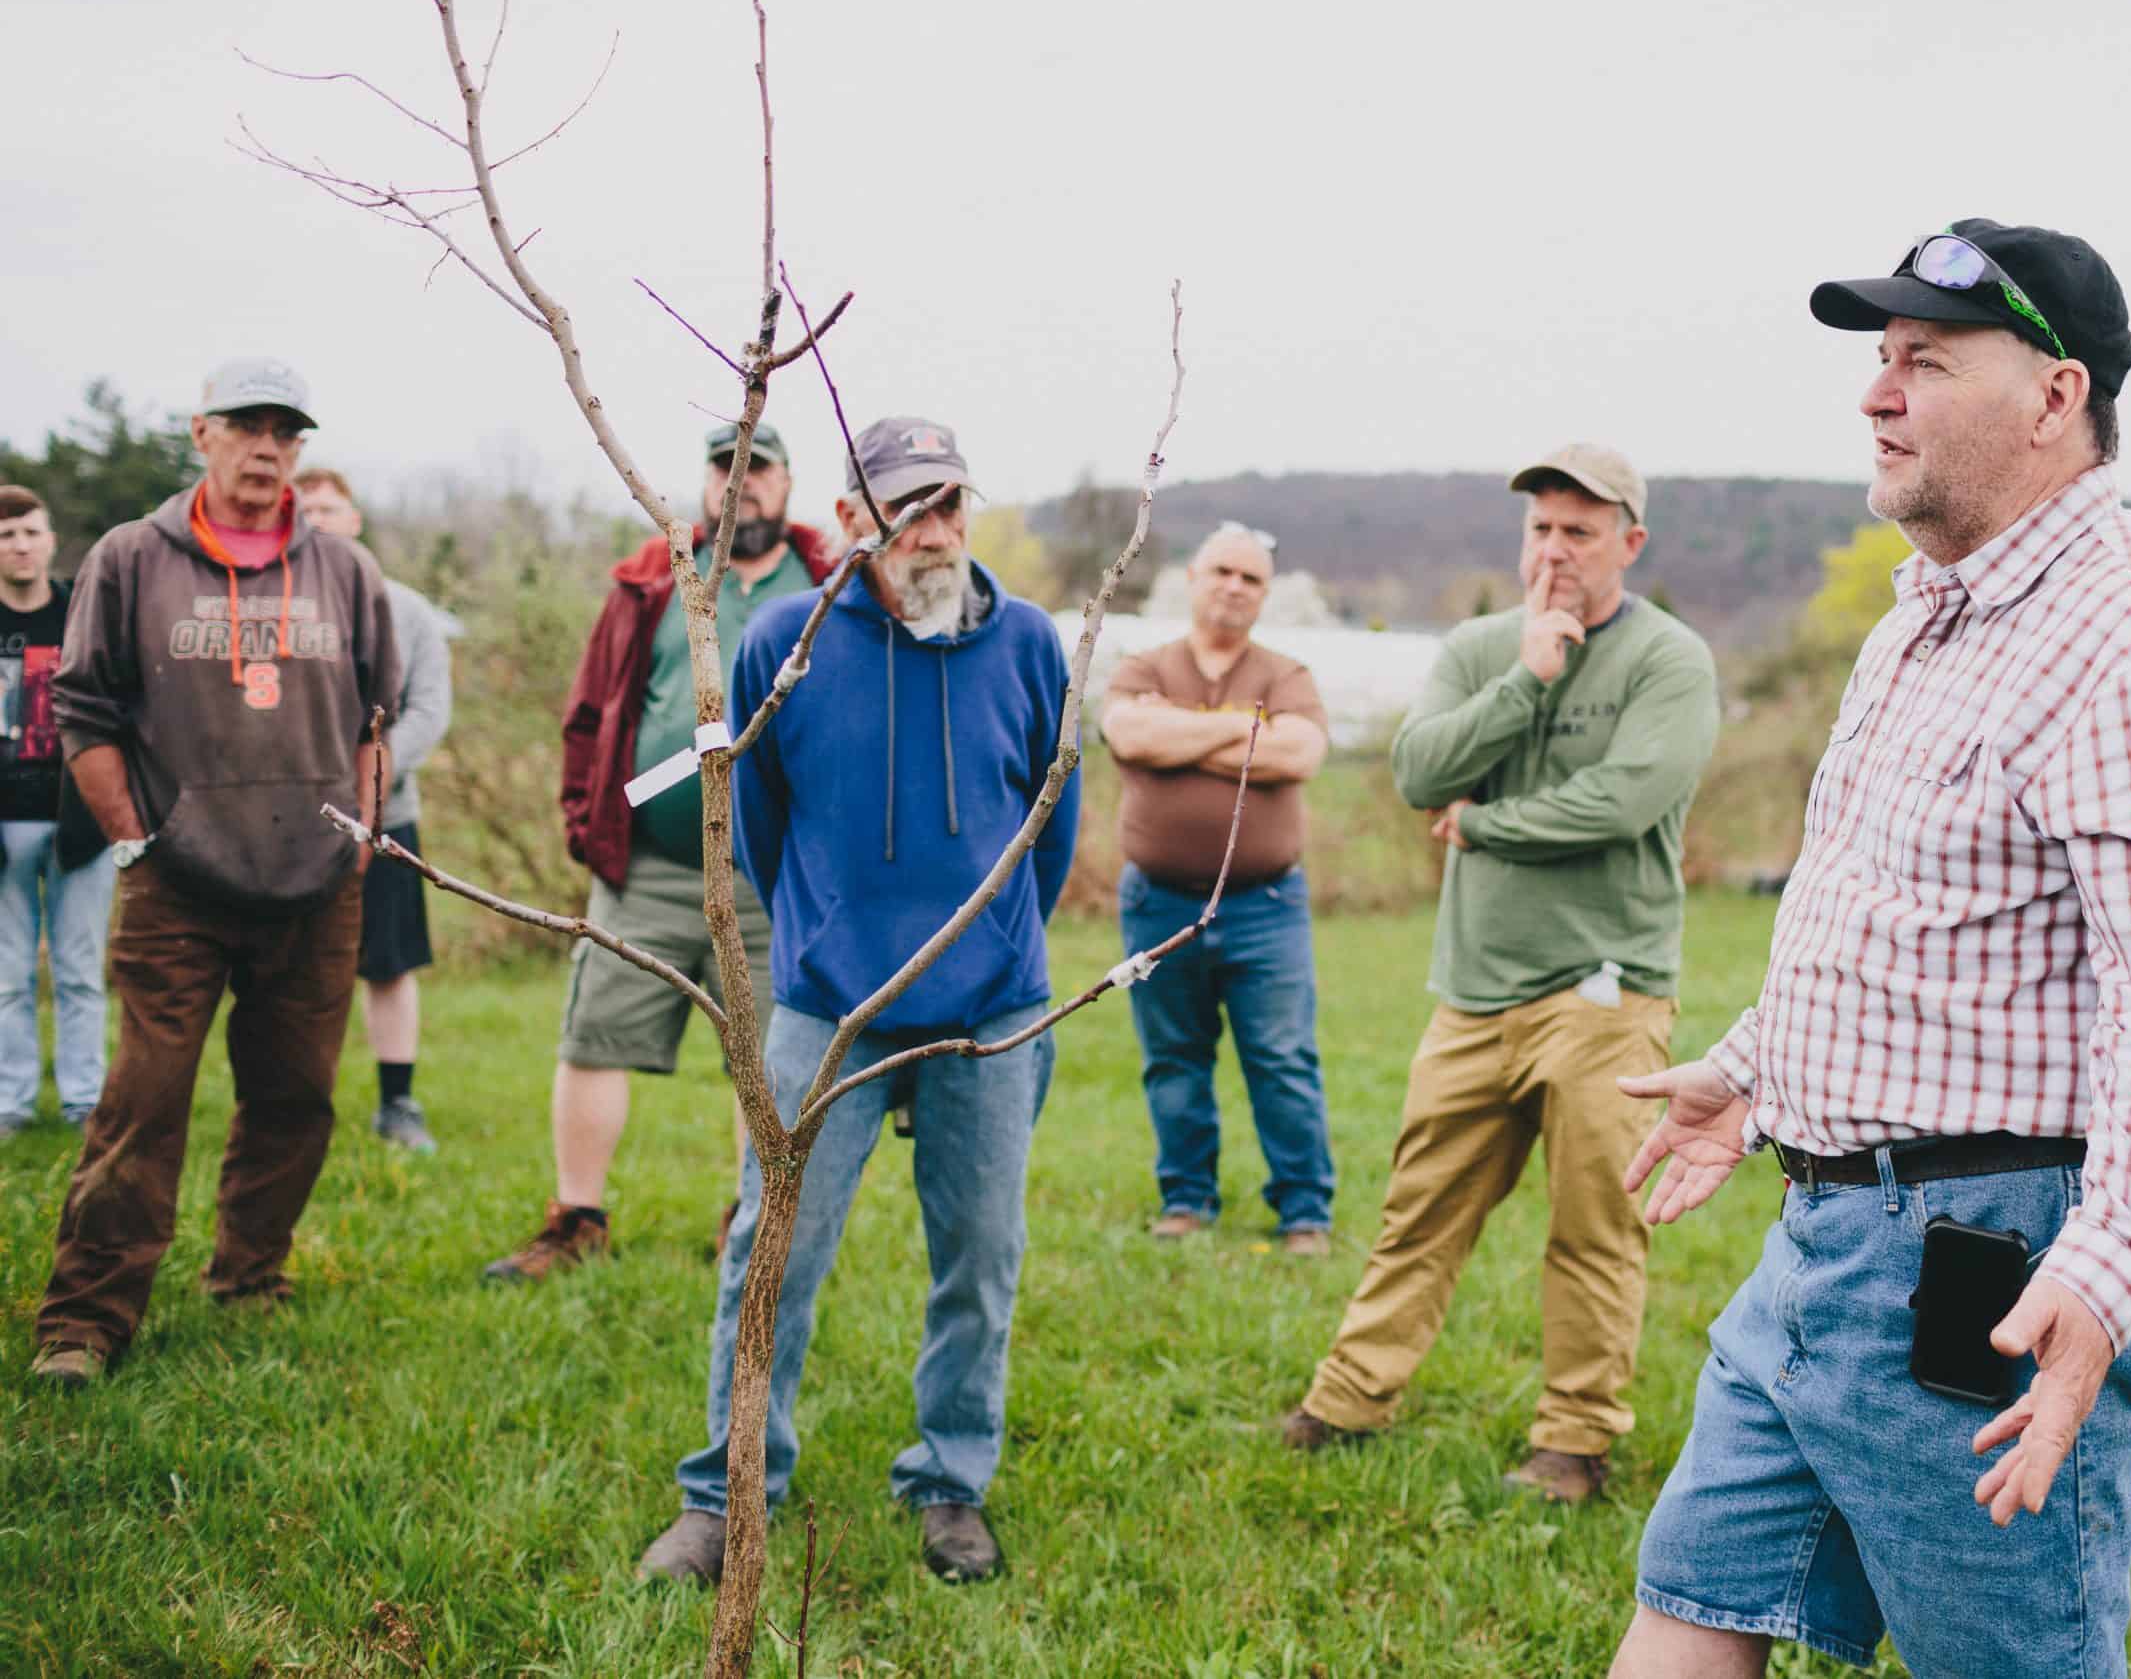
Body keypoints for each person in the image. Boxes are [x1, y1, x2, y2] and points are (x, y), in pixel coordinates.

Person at [1608, 221, 2131, 1679]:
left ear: (2055, 396)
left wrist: (2104, 1283)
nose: (1877, 392)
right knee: (1693, 1596)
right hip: (1824, 1243)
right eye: (1879, 359)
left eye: (1925, 359)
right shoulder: (1926, 616)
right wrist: (1754, 1069)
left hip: (1990, 1270)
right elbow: (1903, 918)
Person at [638, 415, 1077, 1587]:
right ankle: (727, 1493)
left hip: (992, 1013)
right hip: (827, 1009)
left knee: (980, 1258)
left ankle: (949, 1482)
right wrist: (830, 935)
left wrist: (987, 948)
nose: (931, 529)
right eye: (904, 507)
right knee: (770, 1253)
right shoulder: (788, 638)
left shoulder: (1032, 644)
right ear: (851, 521)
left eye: (948, 503)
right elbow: (765, 817)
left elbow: (1049, 826)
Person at [1279, 443, 1720, 1505]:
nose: (1555, 548)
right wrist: (1528, 674)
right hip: (1474, 993)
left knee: (1591, 1229)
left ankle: (1573, 1443)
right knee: (1417, 1212)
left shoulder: (1670, 661)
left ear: (1630, 541)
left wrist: (1484, 826)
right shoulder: (1481, 649)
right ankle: (1347, 1401)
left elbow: (1622, 801)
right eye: (1539, 529)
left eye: (1579, 529)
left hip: (1605, 993)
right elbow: (1418, 771)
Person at [29, 358, 402, 1389]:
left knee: (296, 1096)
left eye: (287, 430)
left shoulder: (344, 573)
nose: (268, 447)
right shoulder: (130, 559)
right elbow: (85, 709)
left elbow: (377, 718)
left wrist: (364, 833)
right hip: (175, 885)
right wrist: (132, 835)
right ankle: (86, 1319)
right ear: (201, 432)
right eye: (247, 425)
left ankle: (250, 1274)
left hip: (317, 881)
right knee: (143, 1102)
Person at [482, 422, 828, 1281]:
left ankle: (752, 1221)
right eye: (725, 467)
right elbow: (591, 710)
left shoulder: (826, 584)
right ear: (706, 482)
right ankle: (576, 1221)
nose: (740, 483)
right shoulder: (651, 579)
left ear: (787, 485)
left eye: (759, 470)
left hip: (774, 876)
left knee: (773, 1056)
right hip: (648, 869)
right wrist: (585, 819)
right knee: (594, 1036)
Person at [1102, 521, 1336, 1252]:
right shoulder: (1143, 664)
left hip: (1265, 903)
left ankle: (1304, 1211)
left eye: (1251, 578)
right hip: (1158, 901)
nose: (1235, 586)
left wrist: (1184, 735)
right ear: (1193, 577)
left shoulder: (1287, 673)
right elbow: (1131, 736)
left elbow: (1299, 752)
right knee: (1174, 1057)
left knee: (1283, 1058)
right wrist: (1242, 732)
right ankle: (1187, 1198)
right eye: (1223, 572)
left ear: (1265, 594)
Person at [295, 468, 458, 1155]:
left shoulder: (407, 611)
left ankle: (397, 1103)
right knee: (295, 966)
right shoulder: (273, 608)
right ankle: (296, 1103)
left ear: (355, 519)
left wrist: (368, 777)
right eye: (304, 510)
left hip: (385, 819)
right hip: (288, 823)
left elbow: (428, 710)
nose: (317, 520)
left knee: (387, 963)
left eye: (330, 508)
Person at [0, 486, 113, 1136]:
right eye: (6, 534)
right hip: (7, 822)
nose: (19, 544)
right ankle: (12, 1101)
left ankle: (85, 1103)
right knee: (9, 972)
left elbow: (121, 706)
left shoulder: (83, 614)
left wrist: (104, 811)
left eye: (29, 531)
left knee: (78, 969)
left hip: (80, 819)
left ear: (49, 538)